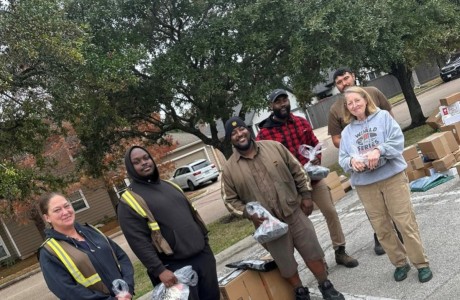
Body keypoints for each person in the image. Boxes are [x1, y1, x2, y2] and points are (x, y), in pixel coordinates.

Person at [222, 116, 345, 300]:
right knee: (285, 263)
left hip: (294, 212)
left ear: (247, 129)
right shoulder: (229, 169)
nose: (239, 134)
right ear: (230, 139)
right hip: (269, 226)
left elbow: (298, 171)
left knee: (312, 251)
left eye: (241, 129)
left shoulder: (274, 147)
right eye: (233, 133)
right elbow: (229, 201)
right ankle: (300, 291)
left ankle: (325, 285)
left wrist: (306, 195)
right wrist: (248, 213)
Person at [338, 86, 433, 283]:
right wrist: (351, 162)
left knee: (404, 222)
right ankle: (400, 263)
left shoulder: (383, 118)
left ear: (365, 100)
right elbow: (343, 158)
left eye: (357, 100)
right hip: (366, 185)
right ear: (347, 108)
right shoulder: (347, 132)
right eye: (350, 103)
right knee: (381, 228)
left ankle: (421, 264)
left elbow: (398, 142)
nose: (354, 105)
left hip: (392, 178)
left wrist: (379, 150)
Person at [257, 88, 358, 268]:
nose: (282, 104)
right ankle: (319, 261)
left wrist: (314, 162)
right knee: (306, 227)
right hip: (290, 189)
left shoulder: (300, 122)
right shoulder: (265, 134)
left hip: (313, 181)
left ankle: (340, 250)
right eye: (278, 102)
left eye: (285, 100)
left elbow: (315, 145)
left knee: (331, 212)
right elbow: (262, 163)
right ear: (271, 106)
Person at [117, 146, 219, 300]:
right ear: (130, 168)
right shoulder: (129, 201)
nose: (144, 163)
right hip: (173, 269)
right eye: (137, 162)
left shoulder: (171, 186)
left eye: (146, 158)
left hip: (203, 259)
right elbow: (138, 241)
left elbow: (193, 217)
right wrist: (159, 270)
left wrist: (206, 247)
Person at [328, 67, 399, 255]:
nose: (344, 83)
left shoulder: (374, 92)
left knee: (394, 199)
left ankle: (400, 229)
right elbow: (336, 139)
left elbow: (390, 116)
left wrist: (380, 144)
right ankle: (380, 234)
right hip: (362, 166)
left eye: (346, 78)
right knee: (373, 205)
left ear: (353, 76)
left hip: (386, 157)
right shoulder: (335, 109)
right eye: (339, 82)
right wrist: (355, 147)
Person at [38, 193, 134, 300]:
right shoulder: (49, 251)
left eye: (66, 206)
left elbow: (121, 257)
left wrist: (127, 289)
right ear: (47, 218)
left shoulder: (92, 231)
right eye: (57, 210)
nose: (65, 212)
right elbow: (68, 291)